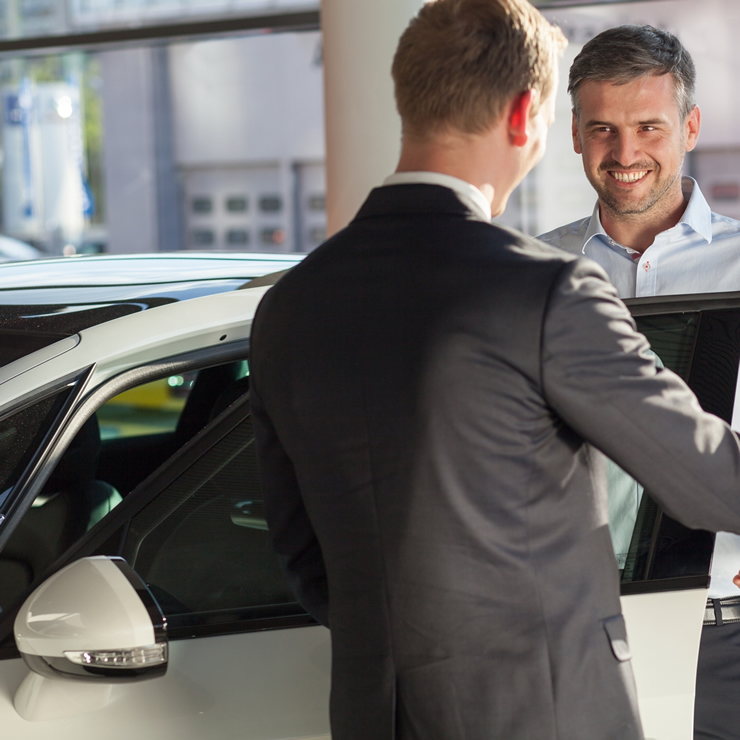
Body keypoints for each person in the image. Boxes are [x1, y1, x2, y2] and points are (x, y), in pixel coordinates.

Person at [250, 3, 740, 739]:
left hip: (375, 708)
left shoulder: (290, 304)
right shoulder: (545, 287)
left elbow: (299, 545)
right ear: (527, 118)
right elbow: (705, 478)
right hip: (538, 709)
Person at [538, 25, 740, 740]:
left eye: (649, 127)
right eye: (603, 130)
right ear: (574, 135)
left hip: (727, 631)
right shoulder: (532, 273)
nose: (625, 156)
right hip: (575, 638)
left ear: (689, 126)